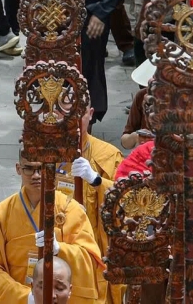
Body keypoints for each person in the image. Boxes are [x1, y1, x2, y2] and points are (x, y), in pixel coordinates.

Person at [15, 0, 130, 122]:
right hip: (61, 17)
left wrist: (102, 13)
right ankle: (58, 114)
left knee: (88, 68)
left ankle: (86, 119)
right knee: (57, 67)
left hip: (92, 19)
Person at [0, 148, 104, 304]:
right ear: (18, 169)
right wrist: (26, 297)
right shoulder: (0, 215)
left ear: (51, 169)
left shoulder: (71, 210)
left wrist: (61, 249)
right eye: (28, 169)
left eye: (41, 168)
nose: (36, 176)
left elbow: (90, 260)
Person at [55, 107, 125, 304]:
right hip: (60, 243)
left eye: (80, 114)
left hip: (97, 249)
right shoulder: (49, 153)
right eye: (66, 114)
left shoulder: (109, 155)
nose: (74, 121)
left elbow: (127, 202)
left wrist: (96, 181)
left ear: (91, 113)